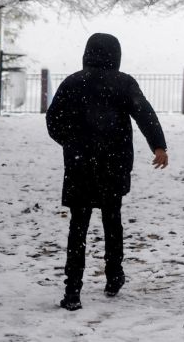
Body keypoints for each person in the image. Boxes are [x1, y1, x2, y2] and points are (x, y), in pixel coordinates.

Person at [44, 32, 168, 309]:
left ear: (87, 52)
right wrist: (158, 146)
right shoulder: (124, 83)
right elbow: (144, 113)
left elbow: (53, 119)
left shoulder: (72, 82)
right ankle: (114, 275)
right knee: (113, 220)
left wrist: (70, 142)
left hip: (79, 164)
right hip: (114, 162)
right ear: (116, 54)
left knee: (78, 226)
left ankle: (72, 291)